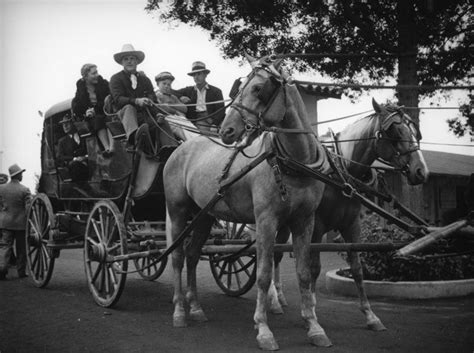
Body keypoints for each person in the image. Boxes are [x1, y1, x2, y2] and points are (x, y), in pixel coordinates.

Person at [109, 44, 178, 157]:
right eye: (126, 59)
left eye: (132, 58)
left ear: (137, 61)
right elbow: (118, 99)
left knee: (162, 120)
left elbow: (153, 99)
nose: (129, 61)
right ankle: (134, 139)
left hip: (144, 115)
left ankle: (170, 151)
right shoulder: (116, 79)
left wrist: (157, 113)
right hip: (124, 117)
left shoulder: (145, 80)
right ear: (122, 62)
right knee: (129, 108)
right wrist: (136, 101)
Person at [72, 63, 112, 156]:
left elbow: (109, 99)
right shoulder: (80, 88)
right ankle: (106, 148)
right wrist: (86, 112)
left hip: (105, 111)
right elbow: (77, 106)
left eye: (96, 72)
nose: (96, 75)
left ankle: (108, 147)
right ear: (85, 76)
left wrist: (96, 109)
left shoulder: (104, 84)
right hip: (92, 118)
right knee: (96, 120)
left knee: (103, 119)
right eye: (93, 73)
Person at [0, 164, 31, 280]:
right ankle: (21, 272)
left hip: (6, 222)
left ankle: (2, 270)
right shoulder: (24, 190)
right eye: (21, 173)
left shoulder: (2, 188)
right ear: (18, 175)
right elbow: (28, 208)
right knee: (21, 249)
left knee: (5, 246)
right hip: (21, 224)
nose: (22, 175)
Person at [176, 61, 225, 132]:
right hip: (199, 119)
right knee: (207, 137)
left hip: (214, 118)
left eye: (199, 74)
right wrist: (181, 97)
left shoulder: (216, 91)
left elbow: (221, 110)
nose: (196, 77)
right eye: (194, 75)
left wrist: (215, 124)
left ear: (205, 75)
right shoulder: (189, 90)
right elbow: (172, 91)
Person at [57, 114, 89, 183]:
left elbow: (92, 148)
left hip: (90, 164)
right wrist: (75, 159)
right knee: (75, 166)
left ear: (73, 123)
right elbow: (60, 157)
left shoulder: (83, 135)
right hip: (74, 169)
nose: (65, 126)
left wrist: (85, 157)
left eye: (67, 123)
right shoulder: (62, 141)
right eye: (63, 124)